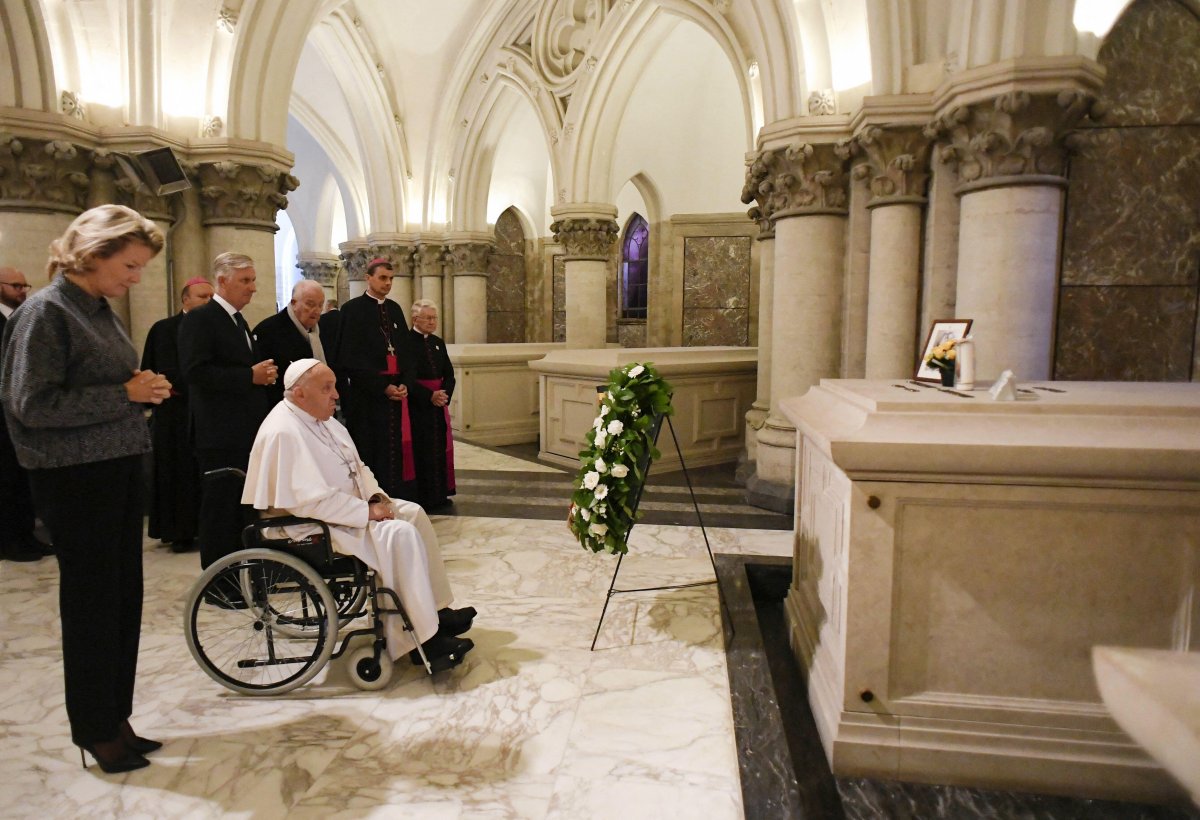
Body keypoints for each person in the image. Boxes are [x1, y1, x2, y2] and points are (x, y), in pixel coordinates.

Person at [0, 205, 172, 773]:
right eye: (129, 265)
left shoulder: (95, 309)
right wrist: (126, 395)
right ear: (92, 255)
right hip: (75, 480)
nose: (136, 278)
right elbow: (30, 405)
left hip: (114, 468)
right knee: (93, 605)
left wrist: (139, 391)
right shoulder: (45, 312)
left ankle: (115, 715)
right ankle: (94, 728)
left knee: (123, 600)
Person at [242, 359, 476, 670]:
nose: (336, 395)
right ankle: (423, 641)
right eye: (327, 388)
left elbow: (358, 467)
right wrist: (366, 512)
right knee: (399, 533)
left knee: (413, 513)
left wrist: (377, 497)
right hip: (308, 525)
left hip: (342, 511)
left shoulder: (323, 419)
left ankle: (435, 611)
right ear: (299, 393)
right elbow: (307, 502)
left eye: (335, 386)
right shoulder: (284, 431)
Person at [177, 253, 277, 568]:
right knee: (220, 509)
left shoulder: (237, 320)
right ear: (222, 281)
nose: (253, 288)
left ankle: (243, 572)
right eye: (245, 280)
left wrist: (261, 375)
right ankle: (220, 580)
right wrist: (250, 375)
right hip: (219, 433)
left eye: (253, 280)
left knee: (240, 508)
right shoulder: (201, 318)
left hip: (243, 430)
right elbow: (195, 373)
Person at [140, 276, 214, 552]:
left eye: (210, 297)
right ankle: (178, 531)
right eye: (202, 296)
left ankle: (200, 528)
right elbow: (151, 368)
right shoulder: (163, 329)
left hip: (205, 412)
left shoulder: (213, 328)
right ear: (185, 299)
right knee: (176, 473)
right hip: (174, 415)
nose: (208, 301)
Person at [334, 258, 417, 500]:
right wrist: (383, 387)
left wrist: (406, 384)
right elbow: (349, 360)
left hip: (396, 395)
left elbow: (406, 353)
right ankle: (373, 499)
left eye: (391, 278)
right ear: (368, 277)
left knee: (396, 451)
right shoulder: (352, 310)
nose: (388, 283)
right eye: (382, 278)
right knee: (373, 450)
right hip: (368, 398)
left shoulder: (394, 309)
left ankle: (397, 496)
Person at [0, 266, 53, 562]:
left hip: (20, 413)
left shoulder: (19, 318)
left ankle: (24, 536)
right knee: (6, 481)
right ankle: (10, 541)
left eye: (24, 285)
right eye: (15, 285)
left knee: (20, 480)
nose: (22, 290)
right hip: (3, 412)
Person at [404, 300, 456, 510]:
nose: (433, 322)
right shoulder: (405, 342)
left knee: (439, 449)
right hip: (418, 407)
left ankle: (439, 494)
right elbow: (407, 377)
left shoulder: (438, 342)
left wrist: (444, 394)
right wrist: (429, 396)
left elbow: (449, 374)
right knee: (421, 451)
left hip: (438, 405)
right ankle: (423, 497)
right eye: (429, 318)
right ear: (415, 319)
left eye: (435, 318)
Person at [253, 279, 327, 406]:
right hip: (283, 408)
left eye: (320, 305)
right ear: (294, 303)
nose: (316, 310)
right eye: (310, 304)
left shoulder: (322, 330)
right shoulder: (269, 331)